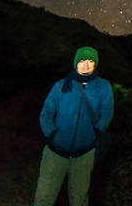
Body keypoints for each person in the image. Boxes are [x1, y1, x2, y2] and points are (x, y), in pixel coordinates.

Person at [33, 46, 114, 206]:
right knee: (44, 198)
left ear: (95, 64)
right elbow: (46, 113)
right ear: (75, 63)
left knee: (79, 199)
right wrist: (51, 134)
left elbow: (107, 112)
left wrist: (96, 131)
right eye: (82, 61)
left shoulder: (103, 87)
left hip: (83, 155)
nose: (86, 65)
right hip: (55, 153)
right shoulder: (61, 86)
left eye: (90, 61)